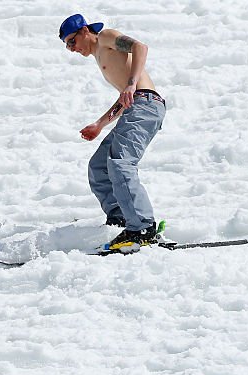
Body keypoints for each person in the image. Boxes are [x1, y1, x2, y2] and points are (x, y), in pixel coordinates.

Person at [59, 13, 166, 249]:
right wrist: (100, 124)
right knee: (99, 166)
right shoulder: (100, 56)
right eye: (67, 46)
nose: (72, 49)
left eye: (71, 42)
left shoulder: (105, 38)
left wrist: (131, 82)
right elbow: (126, 98)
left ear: (85, 31)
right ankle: (120, 219)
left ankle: (142, 227)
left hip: (146, 105)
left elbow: (140, 47)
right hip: (135, 108)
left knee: (120, 163)